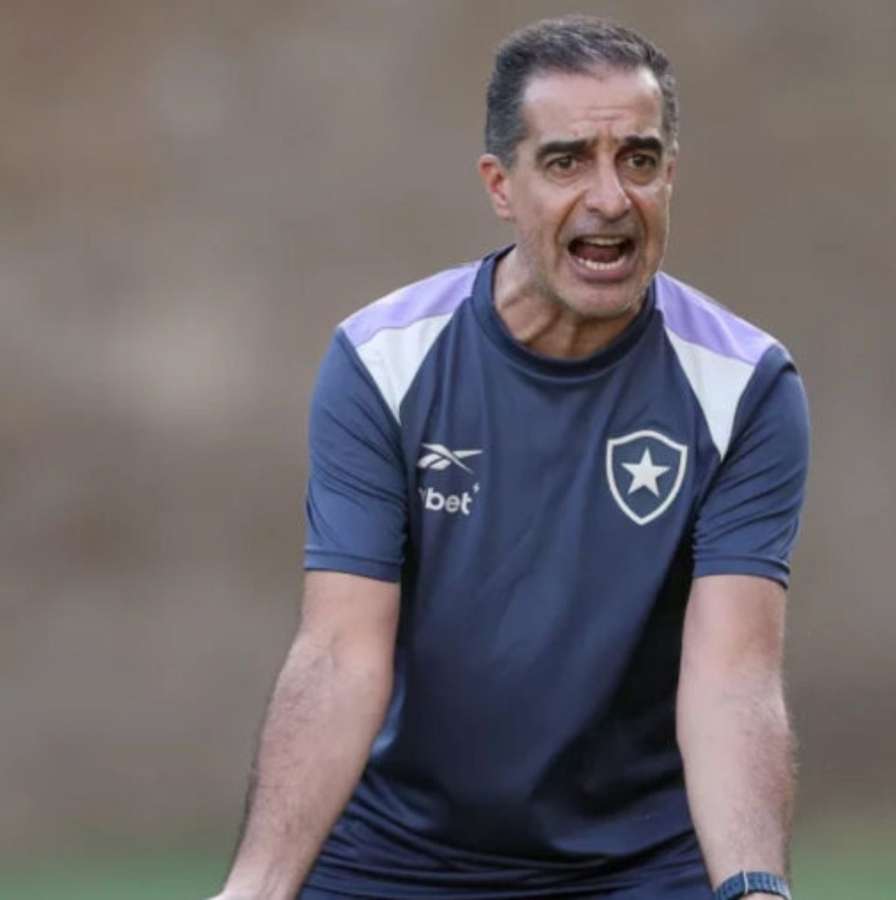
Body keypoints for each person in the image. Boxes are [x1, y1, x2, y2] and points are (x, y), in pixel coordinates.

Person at [211, 15, 809, 900]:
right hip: (395, 856)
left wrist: (755, 887)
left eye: (638, 160)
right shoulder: (383, 363)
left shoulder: (744, 386)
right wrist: (256, 889)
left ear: (670, 176)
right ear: (501, 185)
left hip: (641, 868)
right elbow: (341, 651)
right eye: (567, 161)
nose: (610, 197)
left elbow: (733, 676)